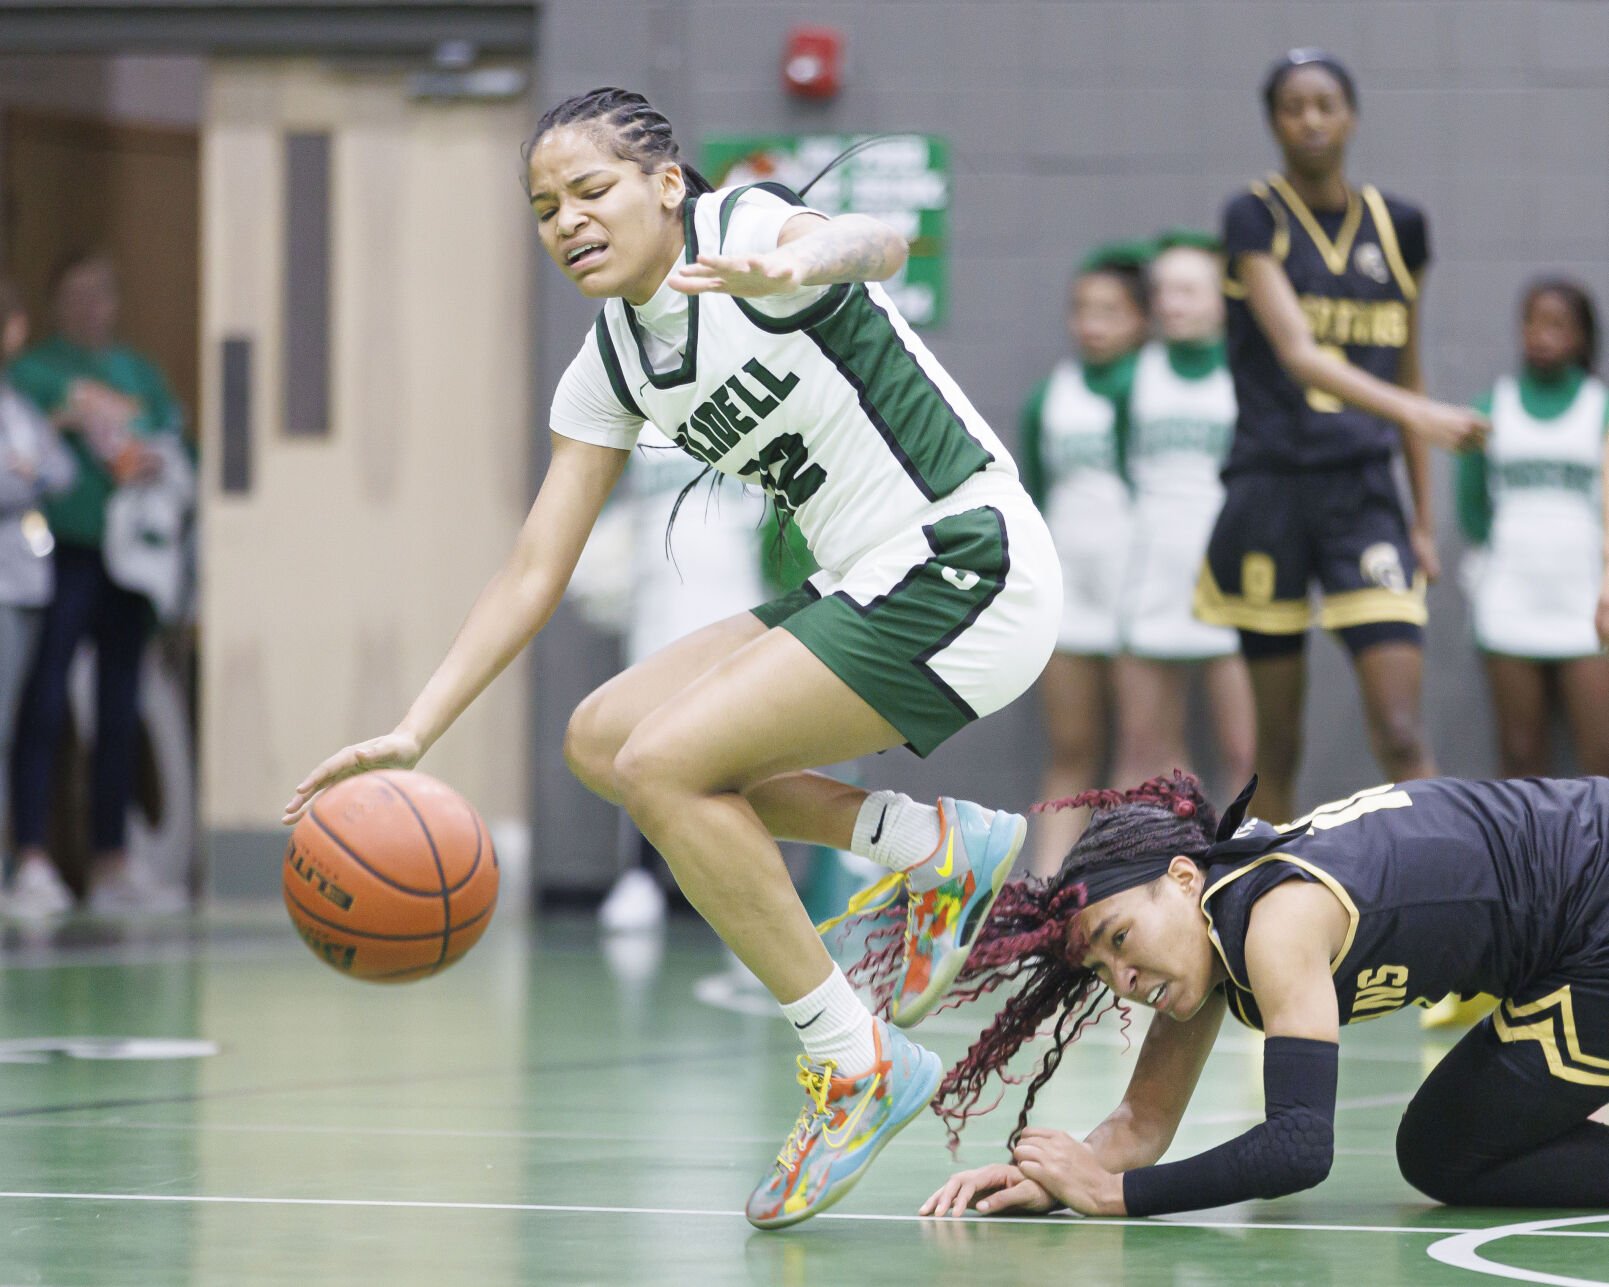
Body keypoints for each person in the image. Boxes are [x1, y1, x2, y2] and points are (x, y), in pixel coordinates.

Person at [281, 87, 1063, 1229]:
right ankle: (927, 841)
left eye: (589, 190)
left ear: (663, 181)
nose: (566, 221)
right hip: (865, 581)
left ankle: (854, 1062)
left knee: (664, 767)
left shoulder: (743, 231)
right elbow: (532, 569)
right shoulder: (613, 365)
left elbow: (879, 243)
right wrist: (415, 730)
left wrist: (798, 260)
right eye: (544, 207)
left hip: (965, 560)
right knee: (602, 738)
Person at [901, 771, 1609, 1218]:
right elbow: (1141, 1123)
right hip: (1571, 920)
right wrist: (1056, 1177)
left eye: (1118, 939)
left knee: (1443, 1152)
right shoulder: (1209, 927)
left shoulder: (1276, 921)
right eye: (1100, 969)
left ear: (1182, 878)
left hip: (1596, 906)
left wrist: (1113, 1195)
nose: (1123, 979)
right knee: (1442, 1147)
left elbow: (1298, 1147)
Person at [1193, 49, 1487, 824]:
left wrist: (1421, 518)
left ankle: (1443, 887)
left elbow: (1410, 368)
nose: (1311, 119)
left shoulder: (1401, 227)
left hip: (1363, 492)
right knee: (1276, 747)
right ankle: (1260, 905)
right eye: (1293, 106)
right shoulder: (1251, 216)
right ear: (1273, 121)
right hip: (1269, 490)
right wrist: (1415, 415)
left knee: (1398, 727)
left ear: (1351, 115)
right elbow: (1296, 350)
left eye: (1326, 103)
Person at [6, 253, 189, 916]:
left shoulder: (139, 372)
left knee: (119, 711)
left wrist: (152, 459)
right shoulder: (34, 370)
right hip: (61, 556)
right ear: (56, 304)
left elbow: (175, 441)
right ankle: (30, 856)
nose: (90, 306)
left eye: (100, 293)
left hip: (129, 562)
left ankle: (113, 863)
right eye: (76, 294)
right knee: (45, 702)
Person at [1019, 243, 1151, 875]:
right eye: (1082, 309)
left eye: (1111, 310)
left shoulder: (1155, 389)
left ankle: (1123, 883)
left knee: (1139, 747)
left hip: (1137, 584)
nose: (1092, 323)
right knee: (1072, 746)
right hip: (1069, 584)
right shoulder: (1052, 395)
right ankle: (1043, 891)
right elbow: (1037, 493)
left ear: (1142, 319)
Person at [1114, 233, 1254, 799]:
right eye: (1164, 291)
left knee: (1244, 751)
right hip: (1151, 574)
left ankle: (1247, 875)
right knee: (1146, 754)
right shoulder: (1131, 376)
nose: (1173, 303)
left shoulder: (1250, 374)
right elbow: (1122, 468)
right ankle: (1138, 878)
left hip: (1231, 574)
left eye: (1189, 290)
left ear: (1223, 297)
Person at [1458, 279, 1609, 777]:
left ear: (1582, 336)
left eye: (1556, 324)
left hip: (1586, 603)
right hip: (1512, 599)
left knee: (1599, 757)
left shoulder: (1600, 407)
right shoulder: (1491, 407)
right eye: (1531, 322)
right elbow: (1472, 505)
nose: (1540, 335)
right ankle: (1529, 859)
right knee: (1521, 759)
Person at [0, 279, 76, 908]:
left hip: (22, 587)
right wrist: (21, 478)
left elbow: (61, 469)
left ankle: (21, 863)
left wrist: (33, 474)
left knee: (23, 721)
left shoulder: (18, 405)